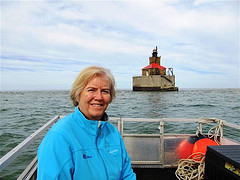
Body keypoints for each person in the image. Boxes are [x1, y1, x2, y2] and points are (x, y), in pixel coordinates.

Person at [37, 66, 136, 180]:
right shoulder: (60, 136)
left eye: (105, 91)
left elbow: (127, 175)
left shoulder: (112, 132)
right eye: (91, 90)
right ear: (78, 94)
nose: (99, 97)